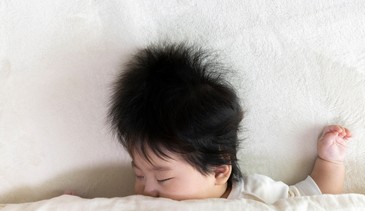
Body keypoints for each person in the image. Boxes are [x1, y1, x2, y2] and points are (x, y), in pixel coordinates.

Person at [108, 42, 352, 202]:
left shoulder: (253, 196)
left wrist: (329, 160)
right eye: (139, 175)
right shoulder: (144, 210)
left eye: (163, 179)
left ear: (219, 171)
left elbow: (314, 200)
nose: (147, 191)